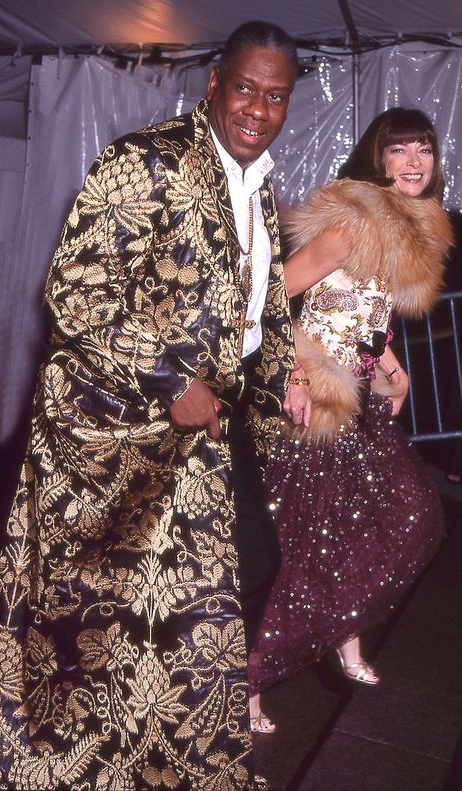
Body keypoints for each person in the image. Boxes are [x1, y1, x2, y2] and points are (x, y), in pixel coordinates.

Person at [0, 22, 298, 791]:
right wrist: (168, 377)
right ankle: (90, 756)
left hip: (203, 434)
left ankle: (160, 748)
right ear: (215, 85)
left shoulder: (261, 185)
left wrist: (285, 380)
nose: (259, 109)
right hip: (119, 433)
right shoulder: (146, 162)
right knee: (101, 611)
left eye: (277, 96)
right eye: (247, 89)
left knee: (233, 575)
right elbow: (73, 289)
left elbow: (258, 308)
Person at [248, 108, 454, 729]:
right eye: (400, 150)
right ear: (378, 160)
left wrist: (394, 369)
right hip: (313, 402)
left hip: (358, 401)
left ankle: (346, 629)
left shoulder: (412, 229)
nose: (414, 161)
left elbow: (362, 313)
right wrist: (293, 373)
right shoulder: (352, 221)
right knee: (294, 547)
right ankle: (249, 680)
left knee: (408, 515)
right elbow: (277, 294)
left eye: (424, 148)